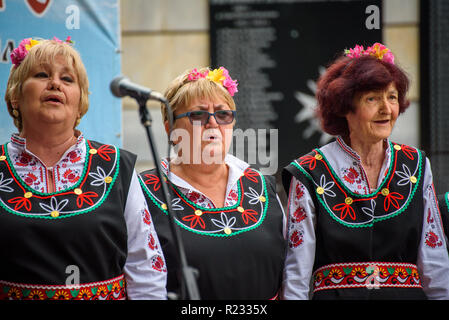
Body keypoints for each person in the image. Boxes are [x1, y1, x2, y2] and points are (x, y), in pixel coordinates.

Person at [0, 37, 167, 300]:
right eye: (42, 75)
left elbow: (145, 270)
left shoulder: (116, 167)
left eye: (67, 79)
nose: (55, 83)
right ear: (16, 95)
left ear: (80, 103)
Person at [281, 43, 449, 300]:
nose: (386, 109)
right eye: (372, 98)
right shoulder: (309, 171)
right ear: (345, 107)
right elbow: (297, 271)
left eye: (392, 97)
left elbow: (434, 257)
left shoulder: (416, 163)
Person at [138, 67, 286, 299]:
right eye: (198, 115)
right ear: (170, 128)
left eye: (223, 114)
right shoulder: (143, 191)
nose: (213, 124)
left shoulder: (261, 186)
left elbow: (291, 275)